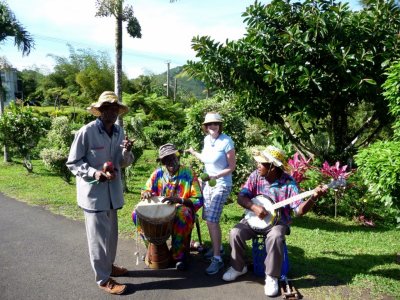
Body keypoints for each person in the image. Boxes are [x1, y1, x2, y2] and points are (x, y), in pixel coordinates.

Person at [222, 145, 327, 297]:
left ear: (272, 166)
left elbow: (299, 211)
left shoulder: (289, 184)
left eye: (261, 163)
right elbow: (241, 197)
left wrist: (313, 198)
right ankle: (238, 267)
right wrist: (253, 207)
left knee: (276, 236)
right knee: (235, 232)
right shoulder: (255, 176)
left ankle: (271, 276)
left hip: (278, 222)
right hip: (254, 219)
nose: (257, 165)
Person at [66, 91, 134, 295]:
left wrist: (127, 152)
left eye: (115, 109)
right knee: (97, 239)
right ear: (100, 110)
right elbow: (73, 162)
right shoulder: (86, 132)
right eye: (107, 108)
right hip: (94, 196)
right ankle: (103, 279)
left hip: (113, 194)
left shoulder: (119, 132)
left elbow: (123, 163)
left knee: (111, 236)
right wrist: (95, 173)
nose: (112, 112)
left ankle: (109, 266)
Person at [132, 143, 203, 270]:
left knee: (183, 214)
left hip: (180, 209)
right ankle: (152, 249)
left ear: (178, 157)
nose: (170, 161)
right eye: (166, 159)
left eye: (173, 157)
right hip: (160, 211)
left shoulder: (188, 173)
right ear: (163, 162)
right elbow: (145, 189)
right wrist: (146, 193)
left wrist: (180, 200)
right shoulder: (157, 174)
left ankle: (178, 256)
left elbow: (198, 199)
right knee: (136, 214)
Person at [186, 112, 236, 275]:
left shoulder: (227, 141)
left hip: (221, 184)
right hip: (207, 183)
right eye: (208, 125)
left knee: (212, 220)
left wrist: (217, 175)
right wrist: (194, 153)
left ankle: (217, 259)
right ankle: (219, 248)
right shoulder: (207, 140)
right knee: (208, 218)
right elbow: (206, 159)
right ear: (205, 127)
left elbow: (232, 166)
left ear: (219, 125)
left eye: (214, 124)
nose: (212, 127)